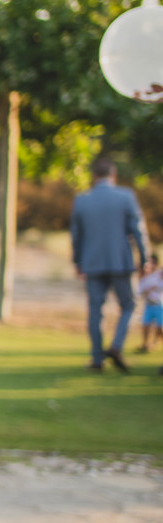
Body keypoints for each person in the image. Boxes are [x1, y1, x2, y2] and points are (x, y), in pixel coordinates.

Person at [70, 157, 149, 372]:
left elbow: (76, 235)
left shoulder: (82, 200)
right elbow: (138, 230)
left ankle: (97, 360)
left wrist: (77, 261)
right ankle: (116, 346)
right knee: (129, 305)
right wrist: (145, 259)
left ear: (94, 177)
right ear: (113, 176)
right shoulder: (126, 197)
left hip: (92, 262)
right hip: (120, 262)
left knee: (96, 310)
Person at [138, 256, 163, 353]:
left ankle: (157, 341)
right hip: (148, 304)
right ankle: (145, 344)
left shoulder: (159, 275)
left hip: (158, 304)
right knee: (145, 325)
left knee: (160, 326)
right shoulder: (145, 278)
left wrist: (154, 287)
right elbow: (140, 292)